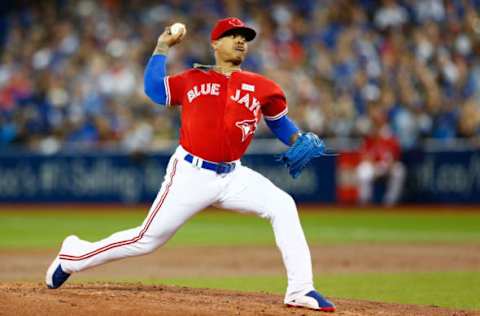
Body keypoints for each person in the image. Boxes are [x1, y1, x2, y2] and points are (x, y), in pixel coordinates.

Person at [45, 17, 335, 312]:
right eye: (232, 35)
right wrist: (161, 47)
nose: (240, 41)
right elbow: (155, 90)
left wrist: (298, 138)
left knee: (283, 205)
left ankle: (301, 289)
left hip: (234, 175)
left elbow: (280, 123)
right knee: (146, 240)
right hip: (191, 173)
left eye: (244, 37)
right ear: (215, 44)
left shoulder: (262, 87)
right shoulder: (193, 79)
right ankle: (73, 256)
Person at [356, 106, 406, 206]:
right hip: (374, 165)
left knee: (399, 170)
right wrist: (371, 163)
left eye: (379, 118)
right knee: (363, 170)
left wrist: (391, 164)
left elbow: (396, 154)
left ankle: (390, 202)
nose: (377, 121)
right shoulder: (369, 135)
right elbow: (364, 154)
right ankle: (364, 202)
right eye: (375, 119)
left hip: (386, 166)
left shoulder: (390, 134)